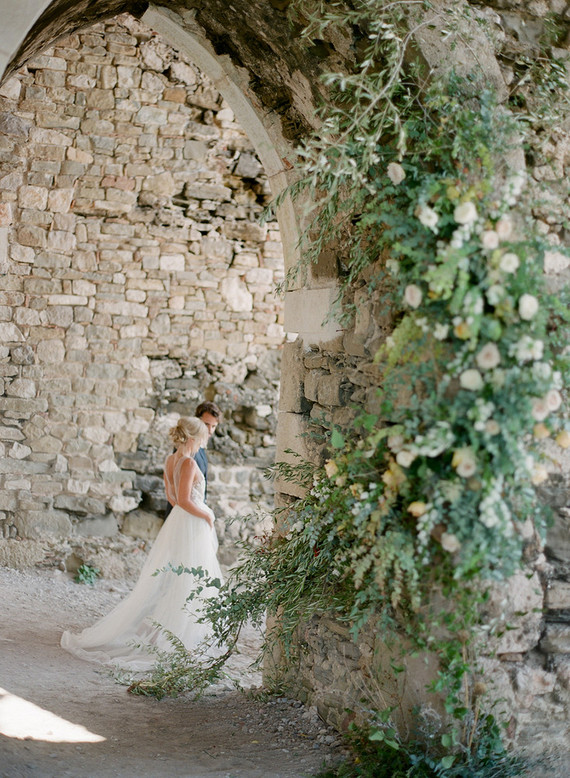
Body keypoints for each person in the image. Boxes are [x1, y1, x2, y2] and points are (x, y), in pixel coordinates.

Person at [61, 417, 223, 671]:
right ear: (192, 438)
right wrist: (207, 514)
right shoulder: (190, 462)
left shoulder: (171, 461)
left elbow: (170, 496)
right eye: (202, 436)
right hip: (191, 521)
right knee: (190, 577)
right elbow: (182, 500)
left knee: (179, 576)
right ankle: (179, 638)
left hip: (179, 523)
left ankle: (172, 634)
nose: (204, 440)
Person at [164, 401, 221, 517]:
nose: (210, 430)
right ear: (197, 421)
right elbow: (178, 494)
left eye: (213, 426)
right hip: (184, 515)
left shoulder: (201, 450)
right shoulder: (184, 454)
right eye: (206, 424)